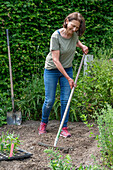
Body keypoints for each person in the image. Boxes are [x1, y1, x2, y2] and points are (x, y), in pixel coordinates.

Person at [38, 12, 88, 137]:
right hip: (52, 70)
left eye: (77, 27)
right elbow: (56, 60)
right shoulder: (56, 36)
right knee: (49, 100)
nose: (74, 29)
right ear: (66, 21)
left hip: (67, 69)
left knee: (66, 100)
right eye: (73, 26)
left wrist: (82, 46)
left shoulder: (74, 34)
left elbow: (76, 41)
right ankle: (43, 124)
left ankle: (63, 127)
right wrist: (68, 78)